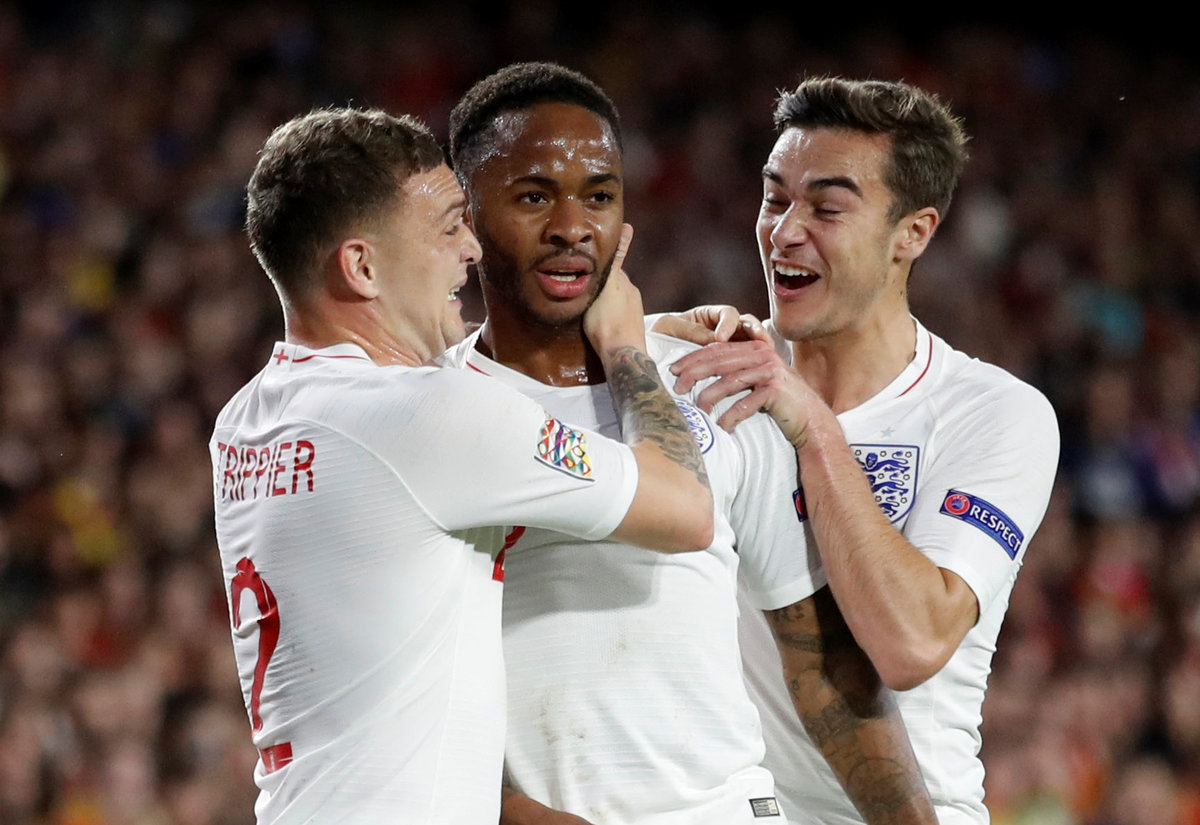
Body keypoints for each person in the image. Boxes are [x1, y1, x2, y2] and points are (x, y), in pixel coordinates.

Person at [443, 61, 935, 825]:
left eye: (598, 196)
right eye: (534, 196)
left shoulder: (714, 379)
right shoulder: (430, 415)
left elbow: (824, 667)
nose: (572, 226)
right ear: (465, 217)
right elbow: (407, 693)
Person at [209, 105, 716, 825]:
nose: (472, 249)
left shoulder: (245, 421)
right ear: (362, 267)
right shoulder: (426, 415)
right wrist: (630, 346)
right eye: (449, 226)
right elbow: (686, 508)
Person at [664, 76, 1061, 825]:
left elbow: (912, 641)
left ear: (913, 232)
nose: (784, 231)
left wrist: (813, 425)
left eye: (826, 208)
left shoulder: (991, 412)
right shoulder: (707, 374)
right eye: (774, 198)